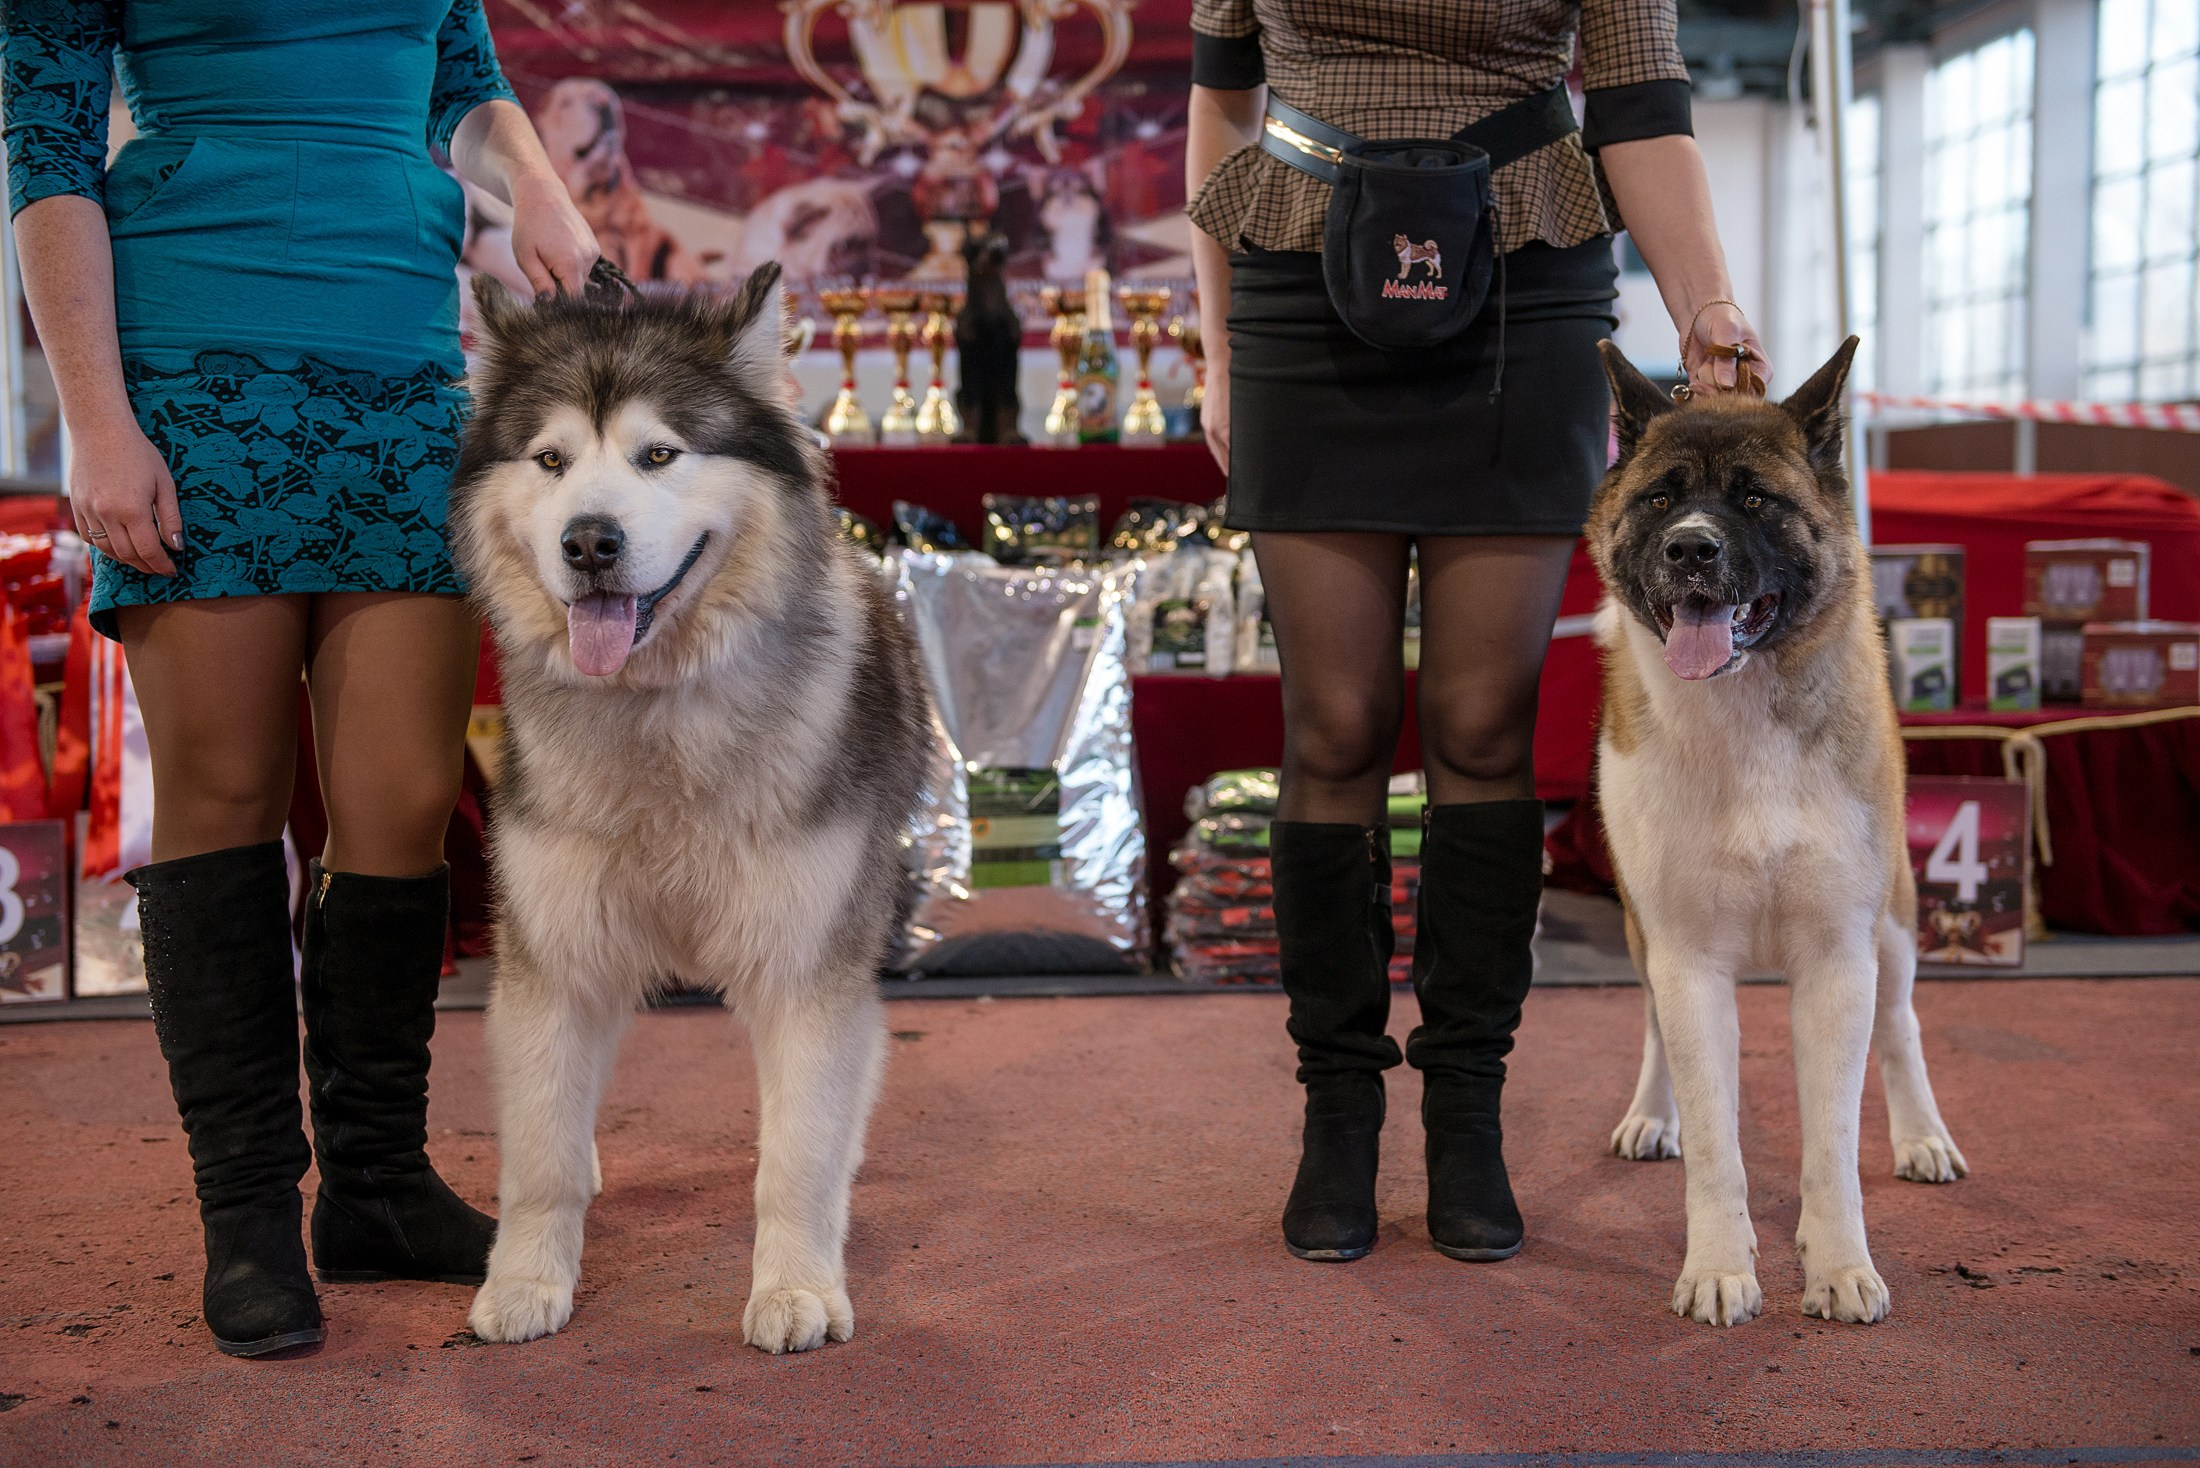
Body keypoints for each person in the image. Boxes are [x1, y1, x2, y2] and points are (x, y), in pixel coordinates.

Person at [4, 0, 598, 1356]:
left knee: (396, 810)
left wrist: (542, 201)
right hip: (192, 366)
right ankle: (252, 1218)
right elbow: (45, 156)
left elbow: (467, 82)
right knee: (226, 797)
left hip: (404, 368)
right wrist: (98, 426)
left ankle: (377, 1188)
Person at [1186, 0, 1771, 1264]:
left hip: (1529, 281)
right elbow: (1224, 97)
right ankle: (1337, 1113)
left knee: (1480, 723)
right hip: (1295, 269)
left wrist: (1706, 306)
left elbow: (1639, 103)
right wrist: (1215, 343)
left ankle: (1466, 1113)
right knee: (1333, 724)